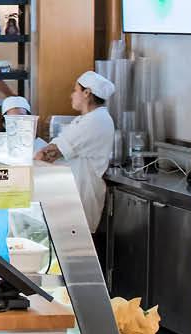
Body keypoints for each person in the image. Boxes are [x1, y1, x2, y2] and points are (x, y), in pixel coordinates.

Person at [37, 71, 118, 233]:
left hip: (79, 197)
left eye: (75, 91)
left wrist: (37, 156)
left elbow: (48, 154)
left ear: (87, 93)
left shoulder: (96, 121)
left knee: (74, 253)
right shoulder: (87, 119)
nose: (72, 96)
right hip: (70, 196)